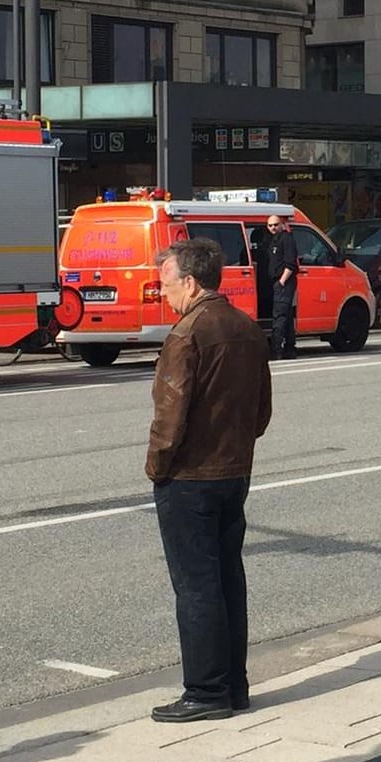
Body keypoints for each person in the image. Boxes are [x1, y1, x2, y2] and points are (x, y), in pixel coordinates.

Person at [145, 239, 274, 722]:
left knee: (196, 586)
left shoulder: (186, 335)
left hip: (190, 476)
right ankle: (234, 685)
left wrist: (158, 466)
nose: (164, 294)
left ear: (191, 282)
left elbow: (170, 416)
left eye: (167, 284)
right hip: (234, 471)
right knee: (227, 579)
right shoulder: (245, 328)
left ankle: (204, 691)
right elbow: (261, 411)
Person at [261, 215, 300, 360]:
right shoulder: (272, 240)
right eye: (270, 225)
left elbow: (290, 263)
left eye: (276, 225)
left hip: (284, 282)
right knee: (287, 316)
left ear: (282, 224)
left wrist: (282, 281)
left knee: (279, 316)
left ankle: (276, 350)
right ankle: (290, 349)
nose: (273, 228)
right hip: (277, 281)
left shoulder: (287, 239)